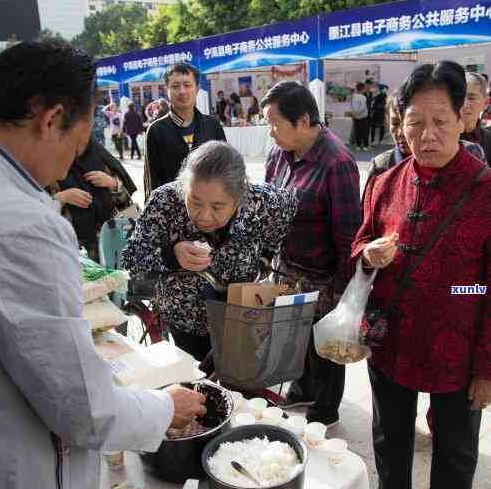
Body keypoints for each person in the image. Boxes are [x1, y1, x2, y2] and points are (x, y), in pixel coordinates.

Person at [0, 40, 206, 489]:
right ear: (50, 117)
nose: (71, 165)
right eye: (76, 144)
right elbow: (81, 409)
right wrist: (162, 408)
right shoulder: (20, 222)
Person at [352, 61, 491, 489]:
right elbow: (360, 241)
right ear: (400, 122)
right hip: (391, 336)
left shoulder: (485, 191)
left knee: (455, 440)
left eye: (440, 121)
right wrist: (369, 253)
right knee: (389, 426)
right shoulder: (385, 182)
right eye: (415, 122)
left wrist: (486, 368)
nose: (426, 135)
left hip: (457, 343)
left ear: (464, 118)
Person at [123, 140, 297, 362]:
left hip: (241, 312)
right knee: (198, 381)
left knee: (240, 380)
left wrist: (266, 256)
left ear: (238, 198)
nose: (204, 216)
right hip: (186, 316)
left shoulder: (262, 201)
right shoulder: (164, 201)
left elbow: (288, 210)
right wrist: (171, 255)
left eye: (217, 207)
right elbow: (130, 258)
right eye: (194, 202)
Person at [262, 81, 361, 426]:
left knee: (325, 346)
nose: (270, 132)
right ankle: (302, 390)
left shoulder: (337, 163)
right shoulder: (280, 154)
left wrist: (342, 293)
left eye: (275, 123)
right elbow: (269, 203)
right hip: (288, 270)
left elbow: (349, 235)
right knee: (297, 339)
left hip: (323, 277)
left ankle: (325, 409)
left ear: (303, 121)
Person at [144, 63, 226, 199]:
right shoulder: (156, 130)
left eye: (187, 85)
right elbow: (152, 179)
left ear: (197, 89)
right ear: (167, 90)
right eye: (175, 86)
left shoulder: (212, 125)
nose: (182, 91)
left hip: (210, 207)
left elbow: (225, 167)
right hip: (172, 210)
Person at [48, 136, 137, 260]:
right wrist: (61, 197)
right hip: (72, 249)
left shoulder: (95, 152)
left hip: (111, 243)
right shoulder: (48, 163)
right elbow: (36, 209)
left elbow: (127, 205)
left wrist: (113, 183)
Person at [460, 71, 491, 164]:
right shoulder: (442, 138)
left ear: (485, 103)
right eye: (460, 97)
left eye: (471, 98)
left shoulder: (489, 140)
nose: (464, 104)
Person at [351, 82, 369, 150]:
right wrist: (358, 113)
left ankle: (358, 146)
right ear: (362, 89)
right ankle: (365, 146)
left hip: (356, 117)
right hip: (363, 117)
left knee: (357, 131)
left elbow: (352, 106)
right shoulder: (363, 97)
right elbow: (363, 107)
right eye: (364, 88)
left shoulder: (354, 96)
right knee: (364, 131)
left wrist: (354, 114)